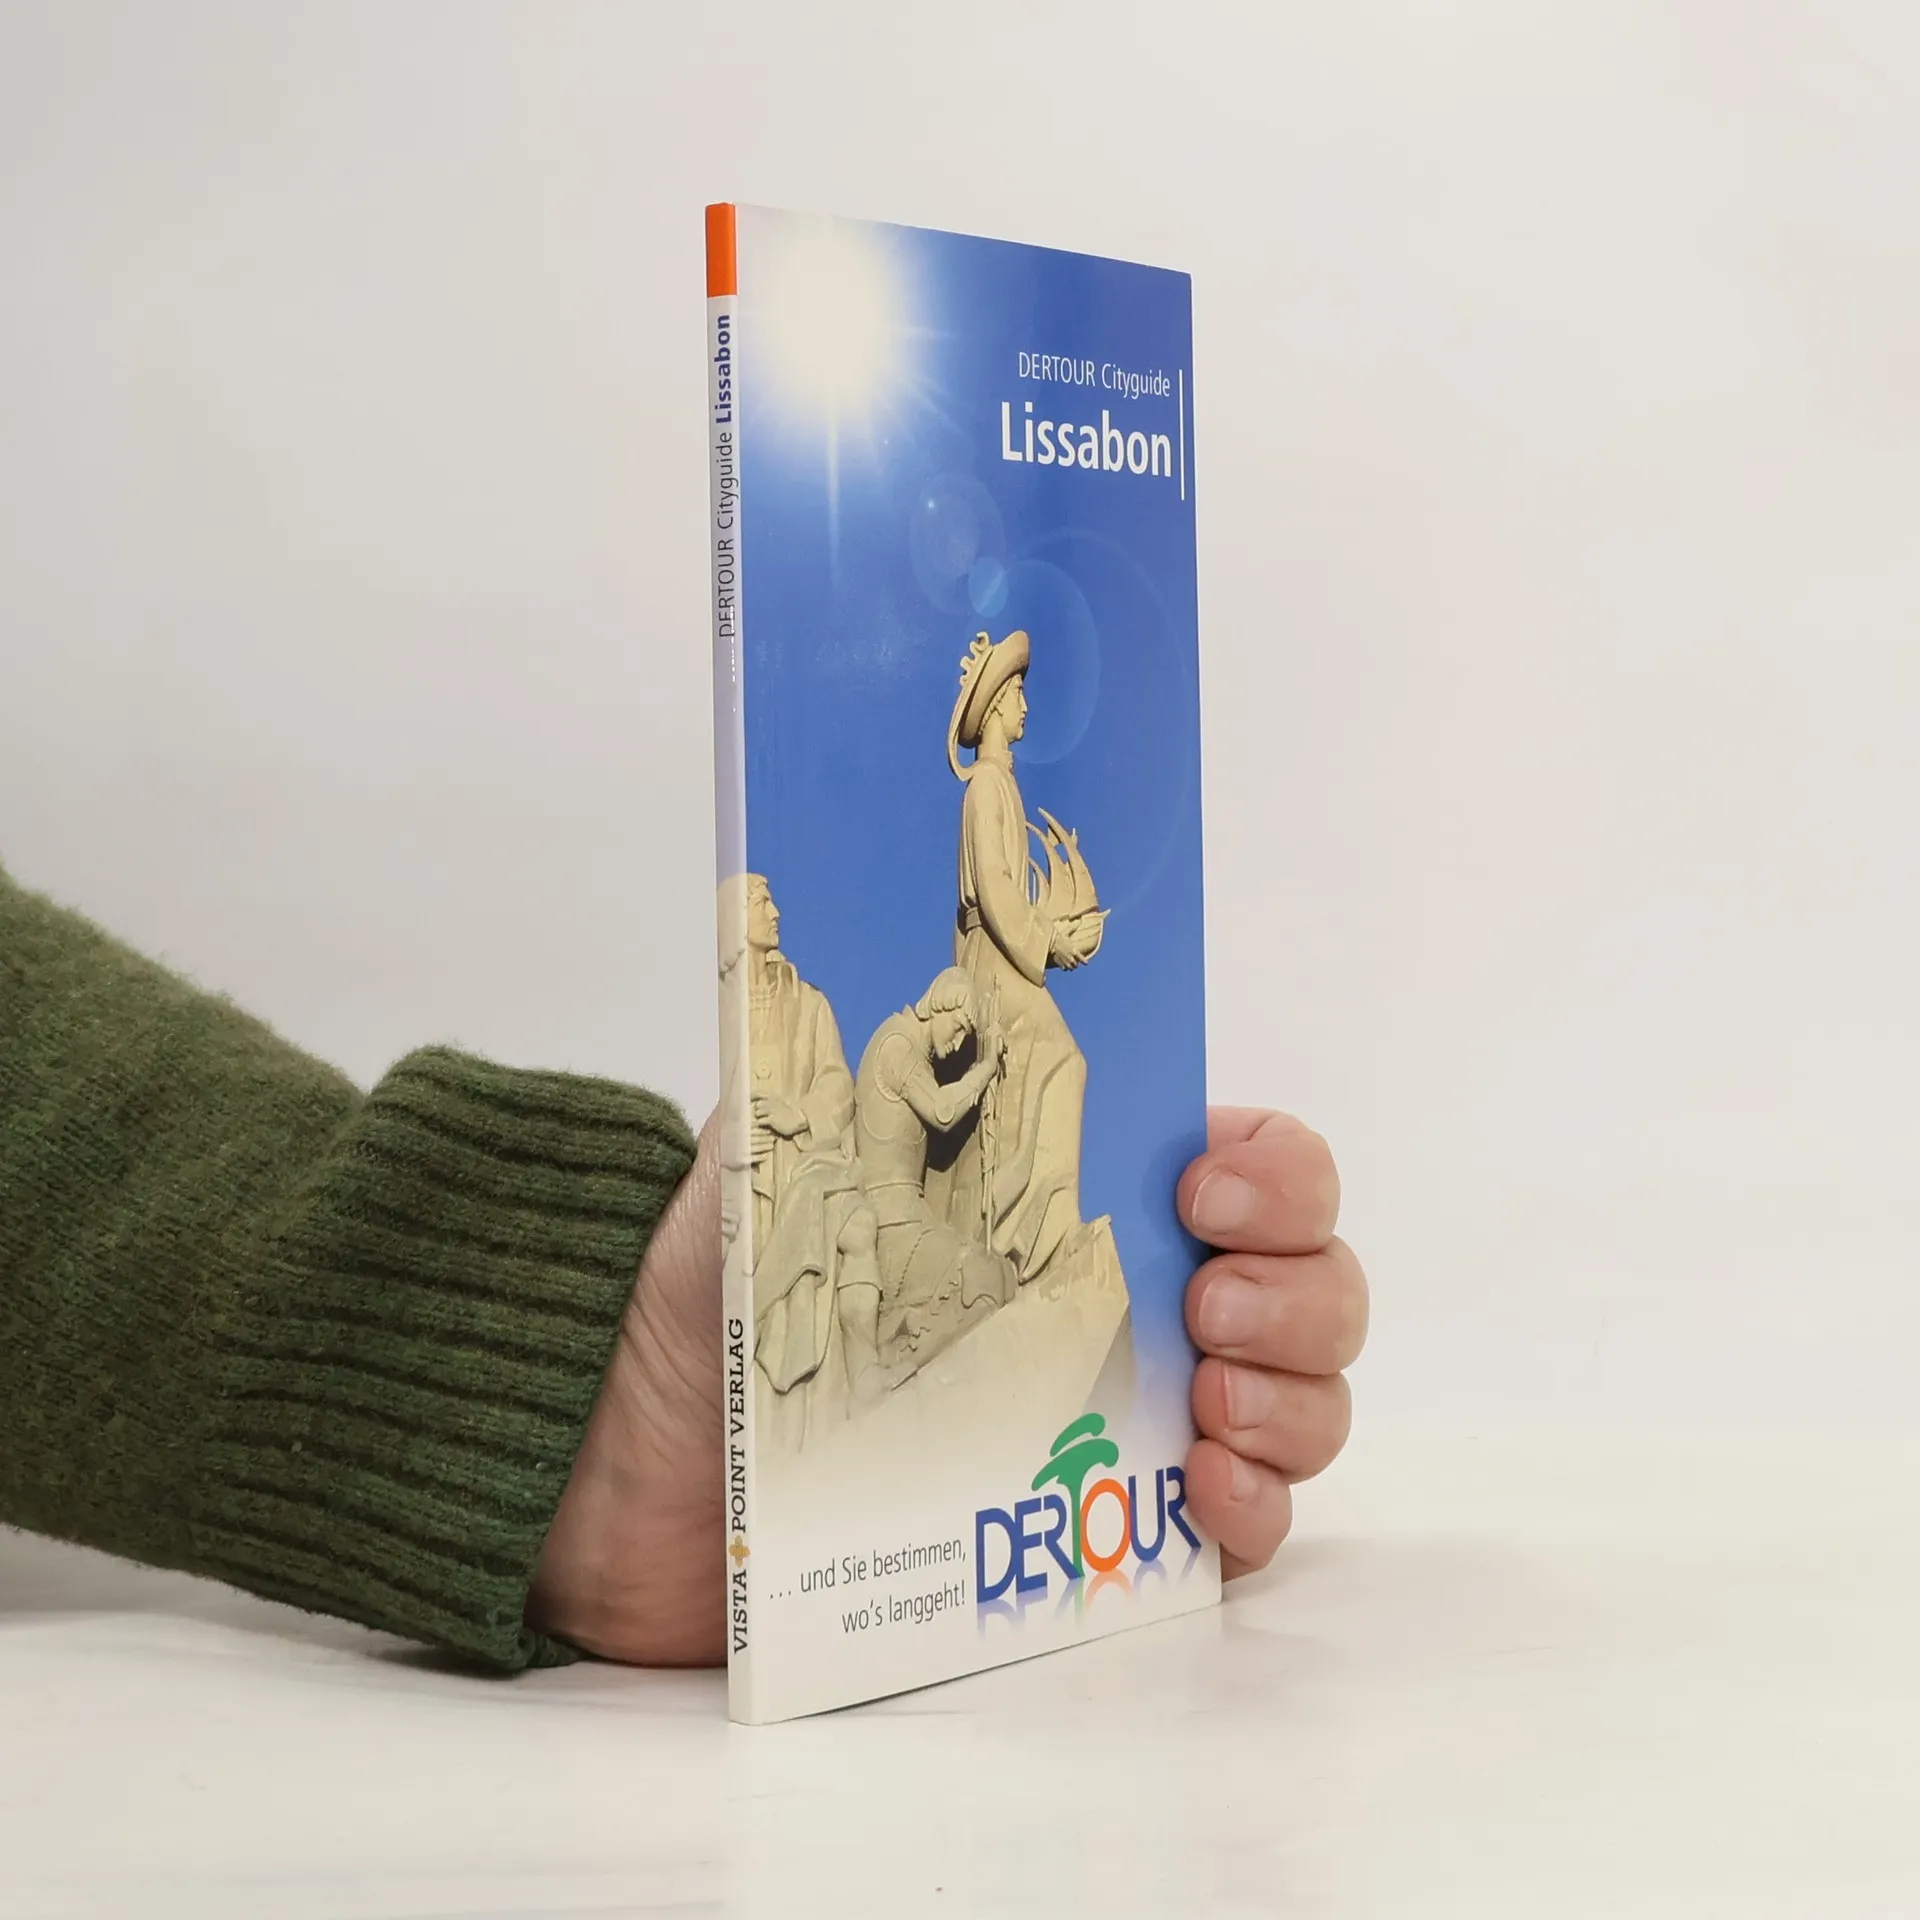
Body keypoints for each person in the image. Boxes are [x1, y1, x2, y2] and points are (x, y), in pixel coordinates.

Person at [0, 860, 1368, 1670]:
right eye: (753, 916)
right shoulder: (896, 1038)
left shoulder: (838, 1011)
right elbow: (885, 1112)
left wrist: (595, 1412)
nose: (762, 928)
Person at [850, 966, 1018, 1372]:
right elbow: (943, 1111)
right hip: (891, 1229)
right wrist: (985, 1067)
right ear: (939, 1005)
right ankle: (901, 1364)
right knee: (984, 1278)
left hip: (911, 1221)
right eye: (958, 1028)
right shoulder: (896, 1045)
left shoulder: (914, 1056)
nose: (958, 1043)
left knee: (1000, 1275)